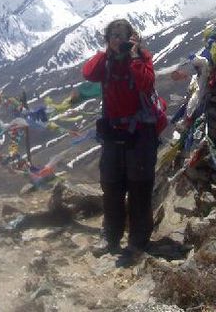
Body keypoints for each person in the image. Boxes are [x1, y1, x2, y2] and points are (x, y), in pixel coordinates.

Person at [82, 19, 158, 266]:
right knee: (112, 186)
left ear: (132, 37)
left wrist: (134, 55)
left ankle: (138, 240)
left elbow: (146, 83)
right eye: (113, 35)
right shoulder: (105, 62)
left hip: (140, 132)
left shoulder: (142, 58)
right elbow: (88, 73)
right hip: (114, 131)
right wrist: (107, 53)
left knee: (139, 187)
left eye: (122, 35)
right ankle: (110, 236)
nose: (118, 39)